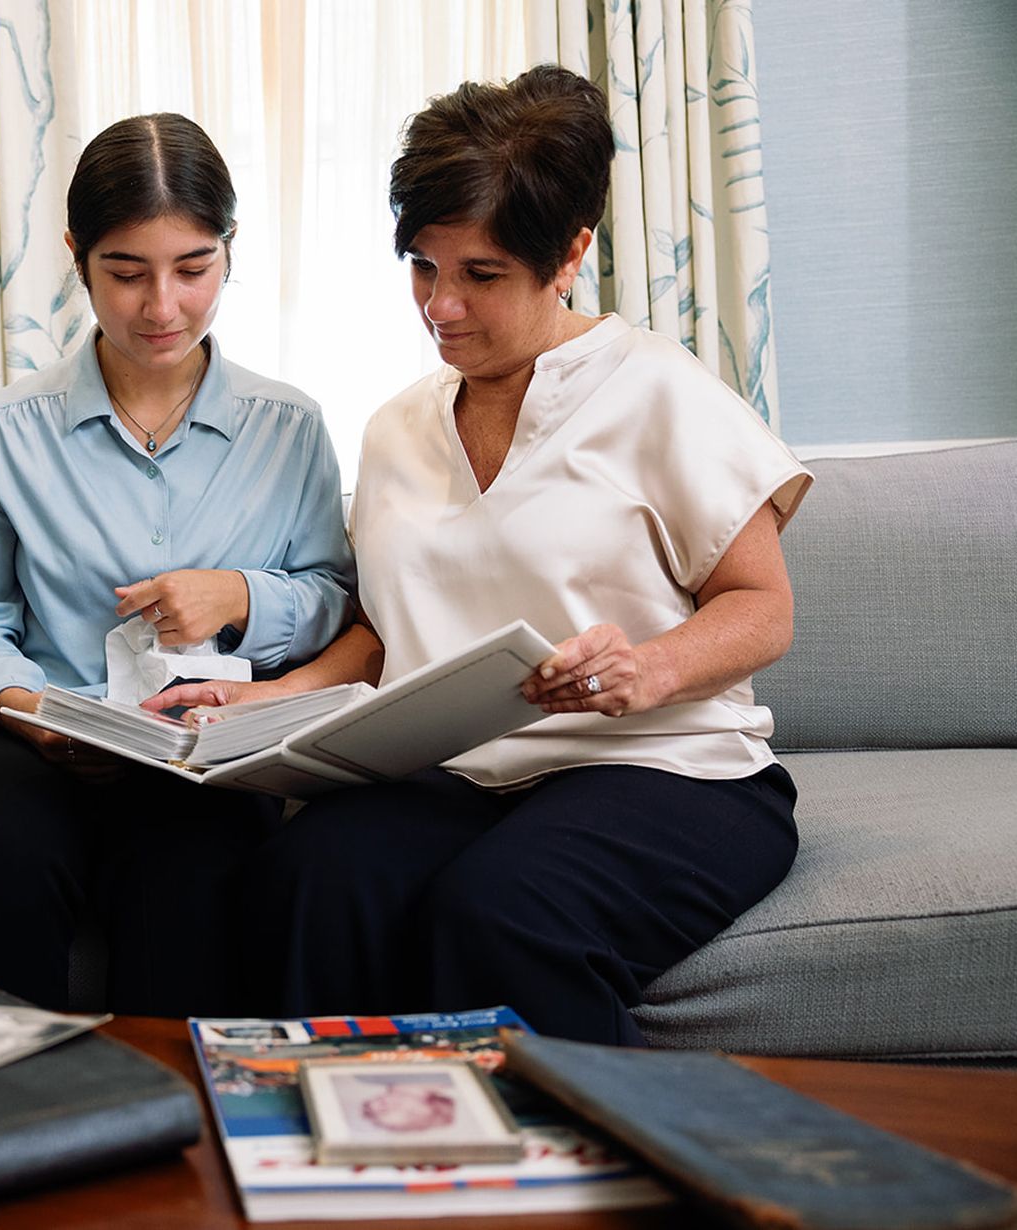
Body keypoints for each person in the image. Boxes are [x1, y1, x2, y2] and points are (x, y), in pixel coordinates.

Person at [147, 67, 812, 1046]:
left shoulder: (662, 394)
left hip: (666, 770)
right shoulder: (397, 429)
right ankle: (332, 1161)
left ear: (570, 254)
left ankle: (596, 1177)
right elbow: (388, 630)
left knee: (499, 911)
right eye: (424, 266)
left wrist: (648, 667)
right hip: (463, 774)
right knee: (304, 880)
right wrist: (269, 698)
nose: (441, 306)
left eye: (482, 275)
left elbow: (763, 607)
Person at [0, 113, 356, 1017]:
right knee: (4, 870)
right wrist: (26, 705)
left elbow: (333, 602)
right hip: (33, 741)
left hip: (203, 754)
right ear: (78, 256)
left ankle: (167, 1135)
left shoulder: (292, 429)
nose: (162, 307)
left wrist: (240, 596)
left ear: (229, 253)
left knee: (189, 893)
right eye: (126, 273)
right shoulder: (4, 430)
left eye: (193, 269)